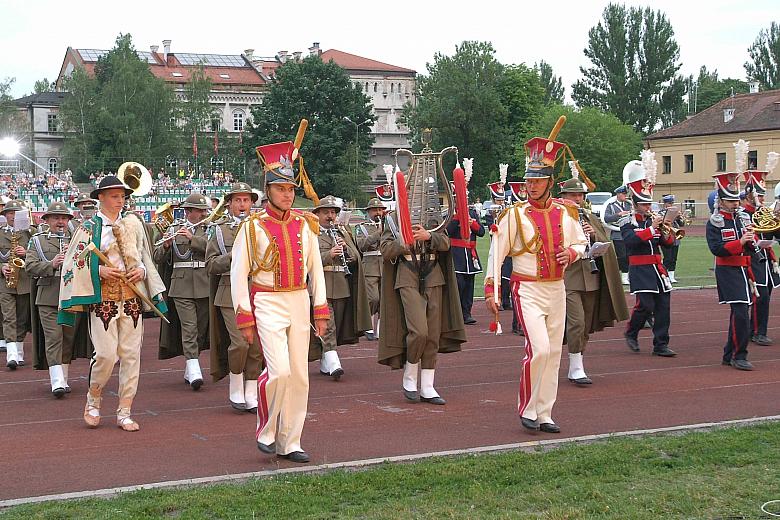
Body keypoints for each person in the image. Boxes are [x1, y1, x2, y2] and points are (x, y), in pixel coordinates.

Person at [231, 133, 328, 464]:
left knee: (300, 375)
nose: (287, 195)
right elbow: (238, 274)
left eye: (291, 190)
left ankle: (291, 440)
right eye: (281, 189)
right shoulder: (251, 227)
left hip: (299, 301)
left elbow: (316, 270)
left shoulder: (306, 225)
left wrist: (320, 309)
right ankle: (268, 430)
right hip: (267, 302)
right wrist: (244, 315)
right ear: (268, 191)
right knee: (280, 372)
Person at [484, 127, 587, 433]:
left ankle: (545, 412)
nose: (531, 185)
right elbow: (496, 253)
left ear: (550, 183)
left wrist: (571, 253)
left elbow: (581, 243)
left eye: (538, 180)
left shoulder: (565, 212)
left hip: (557, 289)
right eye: (529, 180)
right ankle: (527, 408)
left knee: (554, 353)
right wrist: (492, 290)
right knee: (539, 349)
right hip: (526, 288)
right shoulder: (514, 215)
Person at [58, 175, 167, 431]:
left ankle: (125, 411)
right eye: (115, 196)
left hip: (131, 298)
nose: (120, 201)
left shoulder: (133, 225)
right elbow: (72, 263)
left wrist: (140, 270)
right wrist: (98, 271)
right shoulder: (87, 228)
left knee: (131, 355)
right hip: (104, 299)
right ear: (102, 198)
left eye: (122, 196)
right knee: (106, 355)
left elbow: (142, 256)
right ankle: (93, 400)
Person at [378, 155, 466, 406]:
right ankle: (410, 373)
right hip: (407, 274)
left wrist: (429, 236)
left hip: (433, 275)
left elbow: (447, 243)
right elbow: (385, 250)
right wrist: (403, 242)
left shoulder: (434, 216)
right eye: (413, 184)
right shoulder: (394, 217)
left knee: (433, 335)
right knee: (419, 331)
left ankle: (428, 385)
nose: (418, 189)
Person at [558, 175, 628, 386]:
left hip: (590, 275)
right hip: (568, 275)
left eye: (580, 195)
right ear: (563, 196)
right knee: (576, 322)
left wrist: (594, 236)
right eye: (573, 195)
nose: (577, 199)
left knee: (586, 324)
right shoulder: (557, 216)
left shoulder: (589, 216)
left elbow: (605, 242)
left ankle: (577, 363)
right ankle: (575, 366)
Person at [206, 182, 262, 411]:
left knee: (256, 346)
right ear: (229, 203)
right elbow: (210, 265)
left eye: (246, 200)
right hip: (229, 293)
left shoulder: (260, 227)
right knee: (239, 343)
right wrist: (233, 256)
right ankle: (236, 380)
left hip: (258, 291)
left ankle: (251, 387)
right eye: (237, 200)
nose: (242, 204)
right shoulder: (219, 230)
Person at [27, 202, 89, 396]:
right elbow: (30, 267)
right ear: (47, 220)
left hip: (72, 295)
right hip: (48, 295)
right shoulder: (37, 241)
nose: (60, 222)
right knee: (54, 338)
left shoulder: (78, 239)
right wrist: (51, 264)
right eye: (56, 218)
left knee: (68, 338)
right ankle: (57, 382)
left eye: (63, 218)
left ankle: (64, 378)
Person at [621, 154, 677, 357]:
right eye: (644, 204)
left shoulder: (654, 220)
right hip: (640, 267)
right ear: (635, 203)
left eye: (649, 204)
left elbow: (667, 244)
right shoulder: (627, 221)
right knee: (645, 305)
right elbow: (630, 242)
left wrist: (668, 230)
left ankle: (661, 344)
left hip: (658, 268)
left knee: (663, 305)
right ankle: (631, 331)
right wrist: (651, 230)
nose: (648, 208)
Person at [155, 193, 211, 390]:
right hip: (181, 285)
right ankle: (194, 368)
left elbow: (214, 250)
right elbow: (157, 256)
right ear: (189, 212)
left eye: (205, 210)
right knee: (190, 328)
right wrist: (166, 245)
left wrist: (193, 239)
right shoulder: (173, 228)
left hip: (204, 284)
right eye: (200, 211)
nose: (205, 213)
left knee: (202, 330)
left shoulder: (210, 229)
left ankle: (190, 365)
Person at [311, 195, 371, 380]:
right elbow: (307, 260)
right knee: (328, 324)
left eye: (333, 212)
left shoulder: (342, 232)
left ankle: (324, 360)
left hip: (341, 284)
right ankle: (334, 361)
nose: (330, 216)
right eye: (326, 212)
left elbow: (356, 258)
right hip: (322, 284)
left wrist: (346, 249)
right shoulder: (311, 233)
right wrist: (329, 254)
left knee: (336, 325)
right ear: (318, 214)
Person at [706, 172, 757, 370]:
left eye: (736, 200)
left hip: (744, 269)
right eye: (730, 200)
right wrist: (741, 242)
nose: (735, 204)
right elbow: (717, 248)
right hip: (727, 270)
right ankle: (739, 355)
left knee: (740, 313)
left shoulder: (742, 219)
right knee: (741, 313)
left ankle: (730, 353)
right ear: (721, 201)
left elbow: (751, 248)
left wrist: (753, 241)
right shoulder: (715, 222)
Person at [741, 169, 779, 346]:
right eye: (760, 196)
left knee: (766, 295)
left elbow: (775, 235)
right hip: (752, 258)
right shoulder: (743, 214)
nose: (762, 200)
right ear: (750, 196)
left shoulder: (766, 213)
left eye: (763, 196)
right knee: (760, 295)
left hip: (767, 258)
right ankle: (756, 331)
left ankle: (758, 330)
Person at [0, 200, 35, 369]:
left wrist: (26, 252)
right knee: (9, 317)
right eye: (10, 213)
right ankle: (11, 354)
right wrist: (2, 267)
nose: (13, 216)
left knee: (22, 319)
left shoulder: (30, 233)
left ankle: (19, 351)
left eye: (16, 213)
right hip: (5, 282)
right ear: (5, 216)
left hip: (24, 281)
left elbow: (39, 256)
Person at [446, 182, 485, 325]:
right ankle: (455, 313)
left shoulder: (473, 213)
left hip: (470, 253)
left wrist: (471, 223)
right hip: (456, 254)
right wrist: (457, 218)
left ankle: (466, 312)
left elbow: (481, 232)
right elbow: (447, 232)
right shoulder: (449, 213)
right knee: (458, 284)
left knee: (469, 286)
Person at [355, 197, 385, 340]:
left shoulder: (388, 226)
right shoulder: (362, 227)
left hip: (385, 265)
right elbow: (361, 246)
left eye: (380, 209)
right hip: (370, 266)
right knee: (373, 298)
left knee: (384, 300)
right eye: (374, 210)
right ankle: (368, 326)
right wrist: (377, 234)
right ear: (368, 212)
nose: (377, 213)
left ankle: (380, 329)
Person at [603, 185, 633, 285]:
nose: (625, 196)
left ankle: (627, 274)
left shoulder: (628, 205)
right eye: (623, 194)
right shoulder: (611, 205)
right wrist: (618, 215)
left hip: (628, 232)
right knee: (622, 256)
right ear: (618, 194)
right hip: (618, 234)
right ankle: (623, 275)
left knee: (629, 255)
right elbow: (606, 218)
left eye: (625, 194)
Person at [659, 194, 686, 283]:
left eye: (672, 203)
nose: (671, 205)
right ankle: (664, 275)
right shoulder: (661, 213)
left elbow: (681, 224)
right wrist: (673, 216)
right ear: (665, 204)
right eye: (669, 203)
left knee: (674, 258)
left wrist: (680, 218)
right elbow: (662, 224)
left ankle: (671, 276)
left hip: (675, 238)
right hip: (666, 237)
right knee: (667, 258)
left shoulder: (675, 212)